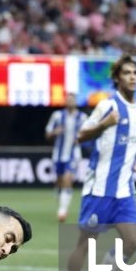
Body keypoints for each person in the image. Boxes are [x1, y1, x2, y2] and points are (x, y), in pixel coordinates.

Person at [58, 54, 136, 271]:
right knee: (85, 244)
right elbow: (80, 135)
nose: (132, 76)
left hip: (125, 191)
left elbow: (128, 144)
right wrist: (103, 124)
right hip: (99, 189)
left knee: (133, 243)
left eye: (135, 72)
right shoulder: (107, 107)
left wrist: (130, 164)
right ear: (117, 79)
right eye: (127, 73)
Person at [45, 92, 88, 223]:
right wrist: (54, 132)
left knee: (67, 179)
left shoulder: (82, 117)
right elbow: (47, 134)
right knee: (59, 181)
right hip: (58, 155)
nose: (70, 102)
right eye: (68, 100)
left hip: (73, 155)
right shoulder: (57, 116)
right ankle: (59, 192)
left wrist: (81, 139)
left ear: (75, 102)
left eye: (72, 100)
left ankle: (62, 210)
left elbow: (88, 134)